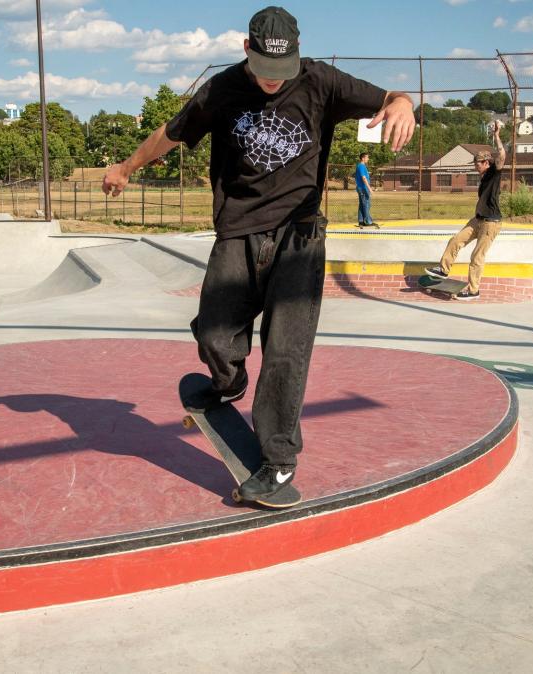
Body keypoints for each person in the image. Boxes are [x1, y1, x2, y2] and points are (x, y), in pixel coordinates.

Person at [102, 6, 415, 504]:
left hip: (300, 235)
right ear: (246, 51)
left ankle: (279, 463)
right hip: (238, 232)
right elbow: (172, 133)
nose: (274, 82)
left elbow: (392, 97)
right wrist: (126, 165)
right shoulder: (223, 88)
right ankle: (228, 382)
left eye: (282, 72)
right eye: (265, 73)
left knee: (286, 351)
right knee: (213, 333)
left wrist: (404, 103)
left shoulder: (321, 81)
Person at [425, 122, 506, 301]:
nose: (475, 167)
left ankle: (473, 290)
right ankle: (444, 270)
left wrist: (497, 136)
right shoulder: (484, 177)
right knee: (456, 240)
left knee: (477, 256)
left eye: (477, 164)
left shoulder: (494, 173)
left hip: (491, 223)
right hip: (477, 220)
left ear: (486, 162)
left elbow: (501, 155)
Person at [354, 152, 378, 228]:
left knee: (362, 205)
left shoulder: (362, 166)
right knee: (366, 204)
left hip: (361, 188)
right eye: (367, 157)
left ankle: (361, 221)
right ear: (363, 158)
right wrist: (370, 189)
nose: (368, 159)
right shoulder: (361, 166)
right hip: (363, 188)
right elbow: (363, 178)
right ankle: (368, 221)